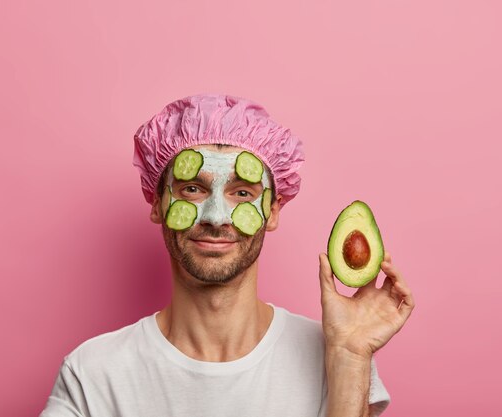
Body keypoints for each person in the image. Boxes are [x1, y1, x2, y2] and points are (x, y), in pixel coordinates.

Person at [39, 94, 415, 417]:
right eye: (192, 189)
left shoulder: (338, 354)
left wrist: (349, 357)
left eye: (242, 193)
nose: (216, 217)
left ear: (273, 210)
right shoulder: (92, 374)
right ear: (156, 202)